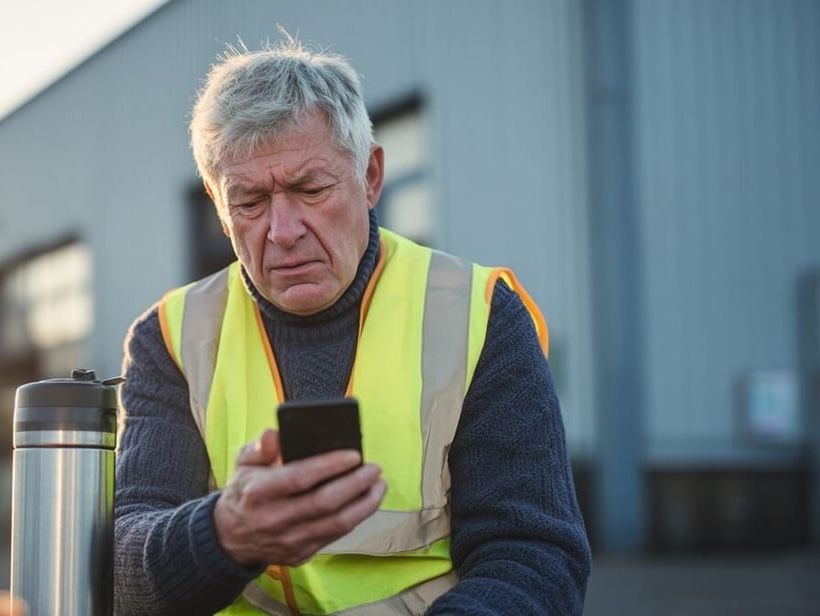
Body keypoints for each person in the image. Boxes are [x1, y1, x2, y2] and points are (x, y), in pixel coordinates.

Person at [115, 35, 591, 615]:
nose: (283, 229)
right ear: (218, 205)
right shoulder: (169, 338)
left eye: (310, 189)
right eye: (250, 203)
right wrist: (223, 532)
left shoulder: (479, 314)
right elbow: (124, 571)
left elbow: (533, 556)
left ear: (370, 177)